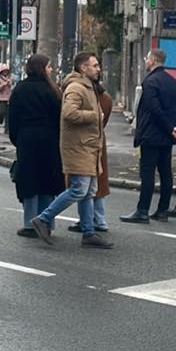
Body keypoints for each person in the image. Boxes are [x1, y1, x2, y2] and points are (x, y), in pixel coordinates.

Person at [30, 52, 113, 249]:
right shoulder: (76, 87)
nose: (98, 69)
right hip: (79, 146)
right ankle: (43, 218)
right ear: (83, 68)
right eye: (95, 65)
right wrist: (94, 115)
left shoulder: (88, 86)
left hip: (90, 146)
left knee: (89, 191)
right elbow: (69, 113)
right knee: (79, 189)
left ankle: (88, 232)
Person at [122, 49, 176, 224]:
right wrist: (175, 128)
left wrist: (170, 127)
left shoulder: (150, 81)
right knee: (165, 172)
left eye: (147, 58)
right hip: (166, 136)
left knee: (147, 173)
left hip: (151, 134)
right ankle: (163, 210)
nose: (146, 61)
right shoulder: (173, 81)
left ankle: (142, 210)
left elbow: (154, 109)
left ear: (154, 60)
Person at [7, 54, 63, 237]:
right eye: (48, 66)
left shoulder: (20, 89)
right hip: (49, 140)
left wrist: (17, 139)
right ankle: (46, 222)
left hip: (27, 139)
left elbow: (12, 118)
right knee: (47, 181)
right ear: (41, 68)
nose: (51, 69)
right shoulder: (52, 90)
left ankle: (30, 223)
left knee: (29, 181)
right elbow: (59, 117)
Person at [69, 74, 115, 234]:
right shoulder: (106, 98)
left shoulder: (84, 97)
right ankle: (98, 219)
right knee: (98, 183)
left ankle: (88, 220)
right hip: (99, 140)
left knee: (83, 184)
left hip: (84, 142)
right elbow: (105, 121)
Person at [0, 64, 13, 130]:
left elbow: (11, 87)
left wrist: (9, 83)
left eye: (6, 71)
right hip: (2, 97)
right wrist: (3, 85)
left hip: (9, 97)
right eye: (4, 71)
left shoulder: (9, 78)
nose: (5, 72)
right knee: (2, 112)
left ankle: (7, 128)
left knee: (8, 113)